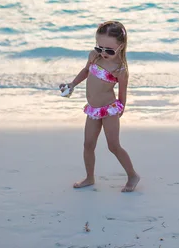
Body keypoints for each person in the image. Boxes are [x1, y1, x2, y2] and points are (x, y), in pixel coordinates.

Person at [59, 21, 140, 193]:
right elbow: (85, 71)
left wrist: (120, 110)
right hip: (93, 110)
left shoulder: (120, 69)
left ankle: (132, 175)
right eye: (99, 47)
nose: (103, 53)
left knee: (113, 146)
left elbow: (122, 95)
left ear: (121, 47)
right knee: (88, 144)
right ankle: (89, 177)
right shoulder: (94, 57)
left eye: (109, 50)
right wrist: (72, 84)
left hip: (109, 110)